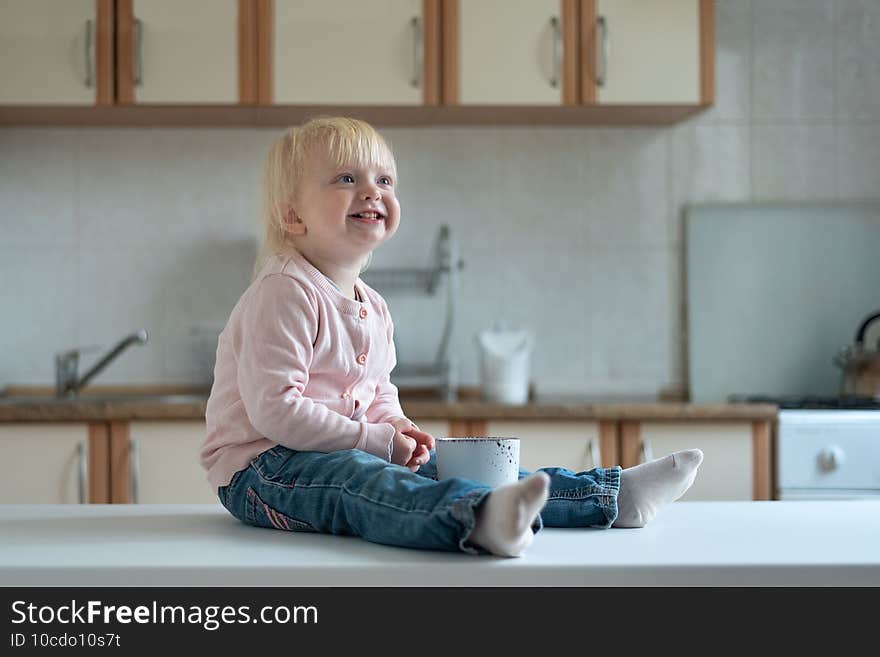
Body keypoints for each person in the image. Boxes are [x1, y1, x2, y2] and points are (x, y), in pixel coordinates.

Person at [199, 116, 703, 558]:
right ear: (293, 216)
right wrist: (374, 439)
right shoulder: (284, 290)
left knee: (447, 467)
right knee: (360, 481)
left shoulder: (373, 306)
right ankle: (480, 522)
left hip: (331, 453)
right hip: (261, 470)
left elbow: (377, 394)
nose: (373, 191)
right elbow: (276, 412)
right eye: (347, 179)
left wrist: (396, 426)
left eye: (385, 180)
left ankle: (608, 498)